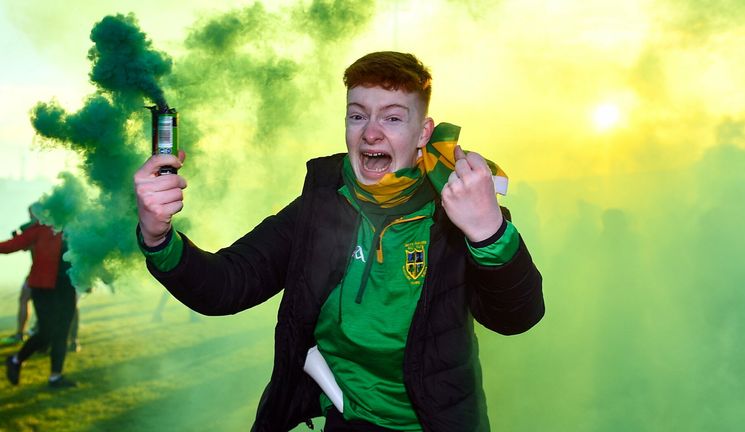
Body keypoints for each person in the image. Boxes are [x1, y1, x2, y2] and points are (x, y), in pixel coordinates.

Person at [134, 51, 544, 431]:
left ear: (423, 133)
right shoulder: (318, 207)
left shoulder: (456, 210)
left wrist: (488, 231)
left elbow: (517, 318)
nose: (371, 134)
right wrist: (158, 237)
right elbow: (227, 285)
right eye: (357, 116)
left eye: (393, 119)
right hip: (348, 421)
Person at [1, 216, 77, 388]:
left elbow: (89, 252)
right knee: (46, 332)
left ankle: (55, 377)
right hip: (44, 289)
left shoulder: (77, 229)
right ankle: (15, 360)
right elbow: (13, 244)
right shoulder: (42, 228)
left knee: (62, 333)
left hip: (66, 288)